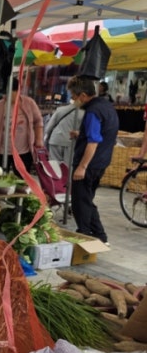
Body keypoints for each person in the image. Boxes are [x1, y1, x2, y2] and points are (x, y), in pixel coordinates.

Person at [66, 75, 119, 244]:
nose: (73, 100)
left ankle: (85, 235)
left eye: (74, 96)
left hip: (89, 164)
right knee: (87, 199)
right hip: (102, 161)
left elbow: (94, 141)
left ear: (82, 95)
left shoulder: (92, 112)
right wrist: (81, 134)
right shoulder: (106, 106)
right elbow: (103, 133)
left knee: (80, 202)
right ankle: (100, 236)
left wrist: (82, 167)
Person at [0, 77, 44, 176]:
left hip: (23, 152)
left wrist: (39, 140)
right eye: (9, 93)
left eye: (15, 93)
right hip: (1, 151)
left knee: (22, 178)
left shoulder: (29, 103)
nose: (12, 96)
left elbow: (38, 122)